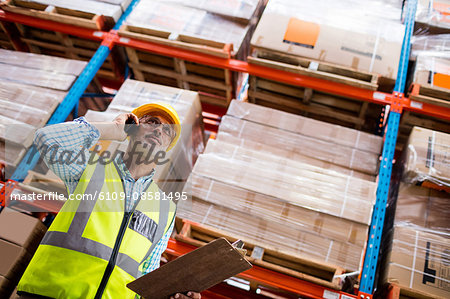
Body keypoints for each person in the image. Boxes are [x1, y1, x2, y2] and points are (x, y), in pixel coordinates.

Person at [17, 103, 200, 299]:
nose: (158, 129)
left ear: (167, 146)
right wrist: (113, 129)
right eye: (152, 122)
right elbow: (47, 138)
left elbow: (146, 273)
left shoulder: (166, 209)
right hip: (51, 294)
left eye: (167, 130)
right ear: (133, 129)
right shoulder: (89, 168)